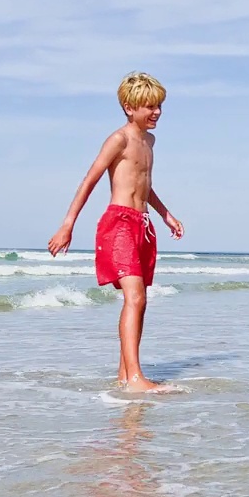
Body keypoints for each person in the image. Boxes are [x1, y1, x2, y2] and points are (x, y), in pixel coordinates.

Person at [48, 72, 185, 393]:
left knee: (140, 301)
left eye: (160, 106)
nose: (157, 113)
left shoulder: (149, 141)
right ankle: (136, 379)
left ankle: (125, 375)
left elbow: (144, 184)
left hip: (144, 226)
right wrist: (67, 224)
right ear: (128, 107)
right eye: (149, 106)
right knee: (134, 298)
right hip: (119, 224)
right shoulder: (118, 140)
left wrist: (166, 215)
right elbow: (90, 179)